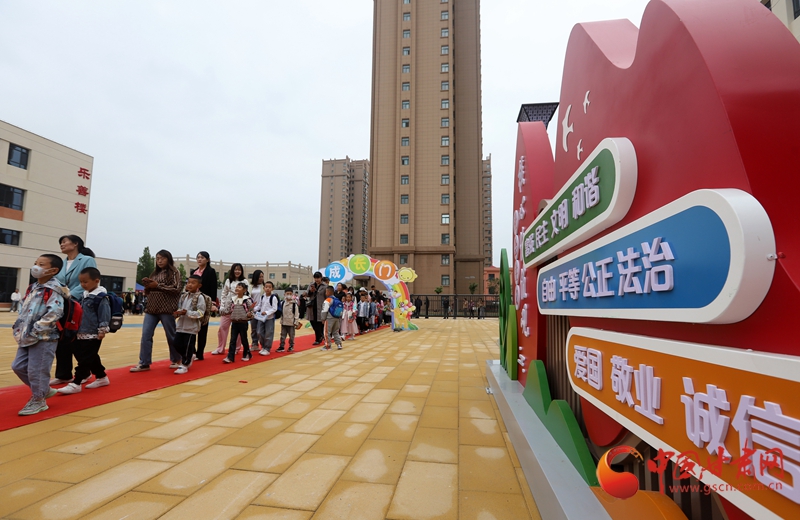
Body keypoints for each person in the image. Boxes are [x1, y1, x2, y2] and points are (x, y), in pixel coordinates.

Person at [11, 254, 66, 415]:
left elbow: (55, 312)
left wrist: (37, 329)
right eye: (36, 263)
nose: (36, 267)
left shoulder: (55, 289)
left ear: (53, 270)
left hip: (44, 337)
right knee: (18, 366)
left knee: (37, 370)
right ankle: (43, 390)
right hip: (26, 335)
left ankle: (39, 400)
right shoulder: (33, 287)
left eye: (41, 264)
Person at [51, 235, 97, 385]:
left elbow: (88, 280)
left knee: (76, 339)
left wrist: (69, 295)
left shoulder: (86, 260)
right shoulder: (62, 263)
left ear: (75, 243)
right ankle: (63, 374)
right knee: (62, 338)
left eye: (64, 242)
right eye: (60, 243)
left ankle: (85, 371)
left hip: (77, 302)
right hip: (61, 303)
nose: (62, 244)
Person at [57, 267, 111, 394]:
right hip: (81, 331)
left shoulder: (101, 297)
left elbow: (104, 315)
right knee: (90, 356)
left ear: (96, 281)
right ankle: (101, 376)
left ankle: (76, 382)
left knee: (85, 359)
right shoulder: (84, 295)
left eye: (85, 282)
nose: (82, 284)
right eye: (81, 282)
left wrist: (102, 330)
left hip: (93, 333)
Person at [130, 250, 182, 372]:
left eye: (162, 258)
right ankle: (144, 362)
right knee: (146, 335)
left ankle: (177, 359)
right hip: (151, 308)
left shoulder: (174, 272)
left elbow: (177, 288)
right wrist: (147, 286)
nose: (159, 261)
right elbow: (149, 291)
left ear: (168, 259)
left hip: (166, 308)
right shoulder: (154, 273)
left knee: (171, 335)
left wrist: (157, 286)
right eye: (158, 258)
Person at [172, 274, 206, 374]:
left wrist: (187, 313)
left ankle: (185, 365)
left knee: (187, 346)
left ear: (199, 285)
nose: (190, 285)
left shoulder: (200, 297)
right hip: (181, 326)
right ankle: (189, 356)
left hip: (191, 327)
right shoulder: (184, 296)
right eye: (188, 282)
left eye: (193, 283)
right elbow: (180, 308)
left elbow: (201, 312)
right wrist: (177, 313)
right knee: (176, 344)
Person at [213, 263, 249, 355]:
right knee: (222, 327)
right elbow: (224, 293)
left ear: (242, 271)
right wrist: (222, 306)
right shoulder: (228, 280)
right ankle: (220, 348)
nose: (237, 271)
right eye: (235, 269)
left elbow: (247, 295)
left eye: (239, 270)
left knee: (238, 329)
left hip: (239, 308)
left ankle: (236, 348)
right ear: (232, 270)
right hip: (227, 307)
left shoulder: (245, 281)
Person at [189, 251, 218, 360]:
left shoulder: (211, 271)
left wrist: (213, 303)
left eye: (202, 257)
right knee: (191, 326)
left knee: (202, 328)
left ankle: (200, 353)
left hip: (205, 301)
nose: (200, 259)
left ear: (208, 260)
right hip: (193, 301)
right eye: (198, 257)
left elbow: (213, 287)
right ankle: (192, 351)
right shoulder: (194, 272)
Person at [224, 282, 252, 363]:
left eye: (239, 287)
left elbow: (251, 310)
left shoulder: (247, 300)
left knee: (244, 339)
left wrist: (250, 315)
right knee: (232, 340)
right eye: (236, 287)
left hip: (243, 323)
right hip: (234, 322)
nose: (237, 288)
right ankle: (230, 357)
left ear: (245, 290)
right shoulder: (232, 299)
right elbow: (228, 310)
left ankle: (247, 354)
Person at [254, 281, 279, 356]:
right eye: (266, 287)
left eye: (269, 287)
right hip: (261, 318)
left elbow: (274, 308)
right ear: (264, 288)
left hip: (269, 318)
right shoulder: (262, 296)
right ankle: (263, 346)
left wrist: (267, 312)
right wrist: (253, 309)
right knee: (259, 332)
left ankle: (267, 348)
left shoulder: (273, 297)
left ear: (272, 288)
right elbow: (259, 306)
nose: (268, 288)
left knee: (268, 333)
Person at [305, 272, 326, 345]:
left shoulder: (325, 286)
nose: (316, 279)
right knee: (312, 322)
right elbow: (307, 294)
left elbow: (326, 296)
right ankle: (320, 336)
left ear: (321, 278)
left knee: (319, 323)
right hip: (312, 306)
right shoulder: (311, 285)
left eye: (318, 278)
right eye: (315, 278)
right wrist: (310, 291)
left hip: (320, 307)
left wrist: (316, 291)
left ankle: (318, 339)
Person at [321, 286, 342, 351]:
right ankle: (339, 344)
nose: (325, 293)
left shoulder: (327, 300)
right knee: (336, 331)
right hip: (337, 317)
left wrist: (323, 318)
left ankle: (328, 346)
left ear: (328, 292)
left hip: (329, 318)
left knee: (327, 332)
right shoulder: (337, 299)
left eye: (326, 292)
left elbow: (324, 310)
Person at [249, 270, 266, 351]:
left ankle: (264, 345)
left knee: (260, 329)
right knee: (253, 329)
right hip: (253, 310)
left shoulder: (265, 286)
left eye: (262, 277)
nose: (261, 278)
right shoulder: (250, 286)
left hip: (261, 311)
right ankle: (255, 344)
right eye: (259, 277)